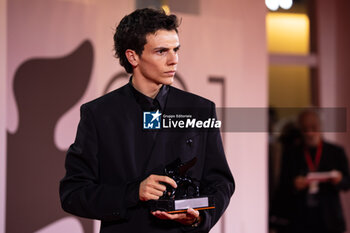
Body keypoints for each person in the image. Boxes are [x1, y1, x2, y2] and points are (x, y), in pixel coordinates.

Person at [59, 8, 235, 233]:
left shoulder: (200, 110)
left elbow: (221, 183)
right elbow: (73, 193)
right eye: (162, 51)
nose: (174, 60)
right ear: (133, 56)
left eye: (176, 50)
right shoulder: (99, 114)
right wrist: (133, 192)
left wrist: (199, 218)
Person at [281, 110, 350, 233]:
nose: (310, 133)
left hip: (330, 220)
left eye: (314, 127)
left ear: (321, 126)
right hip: (301, 220)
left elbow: (347, 182)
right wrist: (294, 185)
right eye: (305, 129)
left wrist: (339, 180)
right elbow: (282, 186)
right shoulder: (291, 154)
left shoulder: (335, 152)